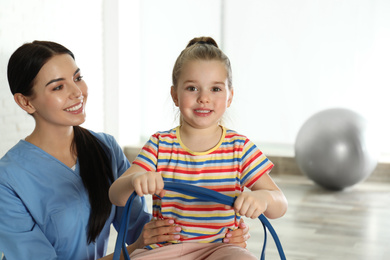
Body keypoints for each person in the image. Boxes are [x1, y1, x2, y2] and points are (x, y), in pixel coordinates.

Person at [0, 41, 249, 260]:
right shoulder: (8, 179)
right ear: (25, 101)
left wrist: (220, 237)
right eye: (58, 87)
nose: (77, 93)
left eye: (77, 78)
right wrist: (135, 249)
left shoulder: (105, 148)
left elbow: (142, 228)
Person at [109, 36, 288, 259]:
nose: (204, 98)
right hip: (166, 250)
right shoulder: (159, 145)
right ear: (175, 95)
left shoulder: (239, 148)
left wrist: (264, 199)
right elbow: (116, 195)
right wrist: (134, 181)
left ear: (230, 96)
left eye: (215, 89)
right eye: (192, 88)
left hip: (221, 248)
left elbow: (280, 204)